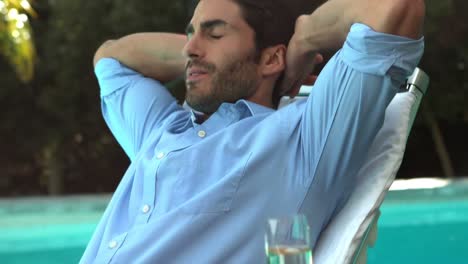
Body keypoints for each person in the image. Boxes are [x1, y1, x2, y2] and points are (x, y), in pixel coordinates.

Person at [81, 0, 425, 262]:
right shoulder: (164, 126)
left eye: (214, 34)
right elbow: (111, 58)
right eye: (191, 34)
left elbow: (395, 7)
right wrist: (204, 59)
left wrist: (303, 37)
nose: (189, 47)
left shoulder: (304, 141)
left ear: (272, 60)